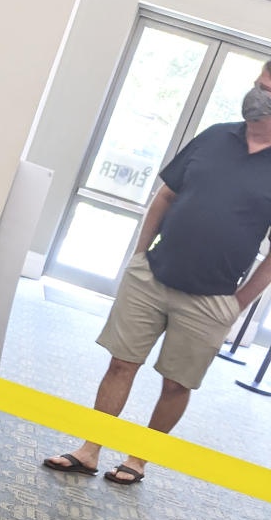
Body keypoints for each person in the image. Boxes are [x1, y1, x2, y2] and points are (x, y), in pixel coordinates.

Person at [45, 63, 271, 484]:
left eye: (268, 91)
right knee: (120, 365)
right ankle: (90, 449)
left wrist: (238, 304)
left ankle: (139, 459)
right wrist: (138, 255)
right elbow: (167, 195)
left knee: (175, 385)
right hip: (152, 277)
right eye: (258, 86)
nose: (258, 96)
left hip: (212, 299)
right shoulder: (215, 136)